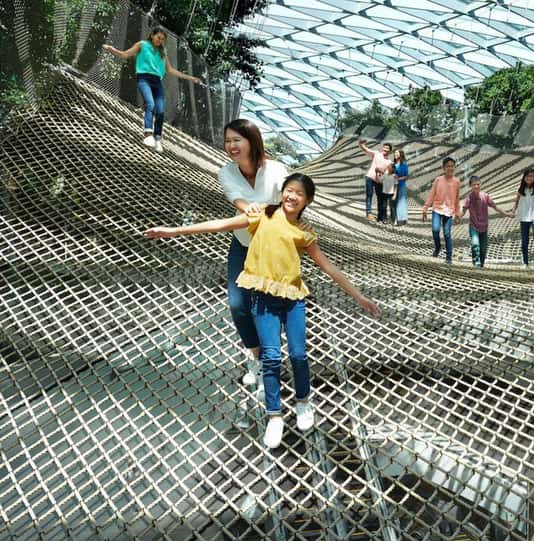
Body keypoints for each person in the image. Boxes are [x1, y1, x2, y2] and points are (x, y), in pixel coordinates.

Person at [145, 174, 381, 449]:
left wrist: (359, 297)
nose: (292, 196)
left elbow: (328, 267)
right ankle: (274, 416)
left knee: (298, 354)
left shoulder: (303, 232)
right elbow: (221, 225)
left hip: (293, 299)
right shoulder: (262, 215)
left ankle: (303, 401)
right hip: (264, 299)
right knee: (270, 356)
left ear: (308, 201)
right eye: (289, 190)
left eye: (299, 194)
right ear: (282, 192)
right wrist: (174, 231)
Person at [217, 119, 291, 390]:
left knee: (268, 305)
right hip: (243, 243)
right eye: (228, 141)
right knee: (238, 303)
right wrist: (247, 207)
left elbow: (290, 198)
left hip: (272, 246)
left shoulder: (275, 170)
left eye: (237, 140)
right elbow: (235, 197)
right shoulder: (226, 172)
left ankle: (271, 360)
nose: (231, 146)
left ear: (252, 140)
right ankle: (257, 357)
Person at [102, 28, 201, 153]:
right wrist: (112, 50)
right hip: (144, 78)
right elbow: (125, 54)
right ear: (152, 35)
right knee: (150, 104)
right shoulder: (142, 45)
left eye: (162, 39)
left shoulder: (162, 52)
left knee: (160, 111)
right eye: (158, 37)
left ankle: (157, 138)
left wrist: (190, 78)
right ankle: (148, 134)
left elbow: (170, 70)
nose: (160, 41)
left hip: (157, 81)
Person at [459, 175, 510, 268]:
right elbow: (463, 211)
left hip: (484, 227)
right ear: (470, 186)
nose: (476, 186)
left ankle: (481, 264)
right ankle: (476, 264)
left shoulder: (485, 196)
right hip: (474, 226)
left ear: (480, 184)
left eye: (478, 184)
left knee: (483, 249)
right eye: (474, 185)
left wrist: (506, 214)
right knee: (475, 244)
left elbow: (495, 207)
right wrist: (457, 217)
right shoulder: (468, 198)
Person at [421, 157, 461, 265]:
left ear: (454, 167)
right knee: (435, 229)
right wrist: (425, 208)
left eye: (452, 166)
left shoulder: (457, 181)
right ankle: (438, 247)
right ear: (443, 168)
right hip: (437, 209)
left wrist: (457, 213)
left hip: (449, 210)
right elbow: (431, 195)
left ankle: (449, 257)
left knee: (447, 233)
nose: (450, 168)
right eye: (448, 166)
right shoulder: (438, 180)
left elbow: (457, 199)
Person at [511, 167, 534, 268]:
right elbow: (517, 201)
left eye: (532, 176)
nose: (529, 178)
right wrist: (513, 210)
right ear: (524, 177)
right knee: (524, 240)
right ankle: (525, 262)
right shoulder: (521, 189)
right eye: (527, 176)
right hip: (524, 216)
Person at [357, 139, 392, 222]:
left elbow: (387, 173)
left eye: (387, 148)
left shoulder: (389, 162)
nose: (385, 149)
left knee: (380, 198)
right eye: (384, 147)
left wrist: (381, 171)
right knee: (369, 195)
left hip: (379, 181)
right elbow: (366, 149)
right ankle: (368, 213)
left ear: (390, 151)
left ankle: (380, 216)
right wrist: (361, 144)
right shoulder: (376, 153)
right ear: (382, 148)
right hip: (370, 177)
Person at [393, 149, 409, 225]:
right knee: (393, 202)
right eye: (394, 153)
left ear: (400, 154)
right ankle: (395, 218)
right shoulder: (393, 164)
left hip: (401, 185)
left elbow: (406, 176)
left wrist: (398, 178)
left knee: (401, 202)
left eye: (397, 153)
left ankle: (401, 218)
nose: (395, 154)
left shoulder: (404, 165)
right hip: (393, 185)